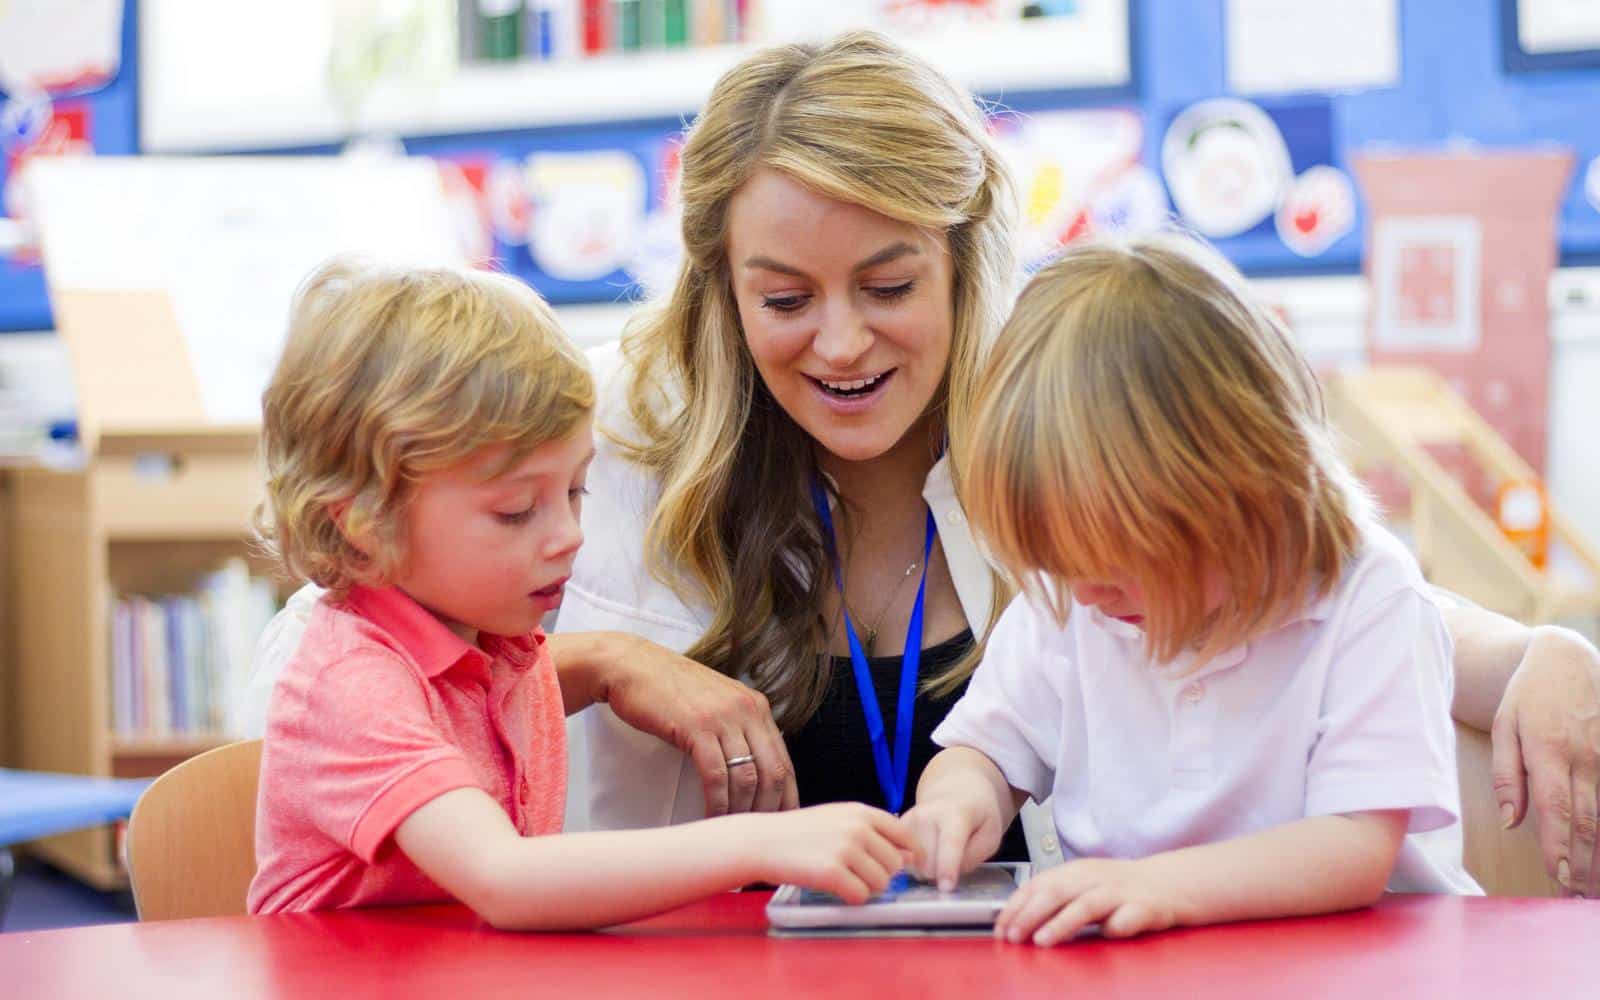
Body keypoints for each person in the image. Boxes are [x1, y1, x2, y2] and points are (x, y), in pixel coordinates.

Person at [243, 31, 1600, 895]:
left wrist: (1547, 652)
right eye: (783, 300)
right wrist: (598, 666)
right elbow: (331, 640)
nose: (839, 343)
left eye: (888, 283)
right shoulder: (596, 436)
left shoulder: (1061, 409)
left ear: (964, 256)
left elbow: (1304, 589)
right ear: (719, 283)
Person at [246, 258, 917, 924]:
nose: (569, 535)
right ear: (363, 526)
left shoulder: (496, 645)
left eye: (575, 490)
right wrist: (763, 845)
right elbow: (506, 879)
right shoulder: (351, 680)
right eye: (515, 511)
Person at [904, 235, 1478, 948]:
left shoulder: (1369, 597)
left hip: (1363, 961)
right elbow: (984, 750)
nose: (1085, 596)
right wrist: (959, 802)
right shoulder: (1073, 602)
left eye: (1116, 564)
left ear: (1246, 494)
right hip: (1146, 959)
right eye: (1062, 563)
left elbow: (1354, 850)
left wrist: (1155, 885)